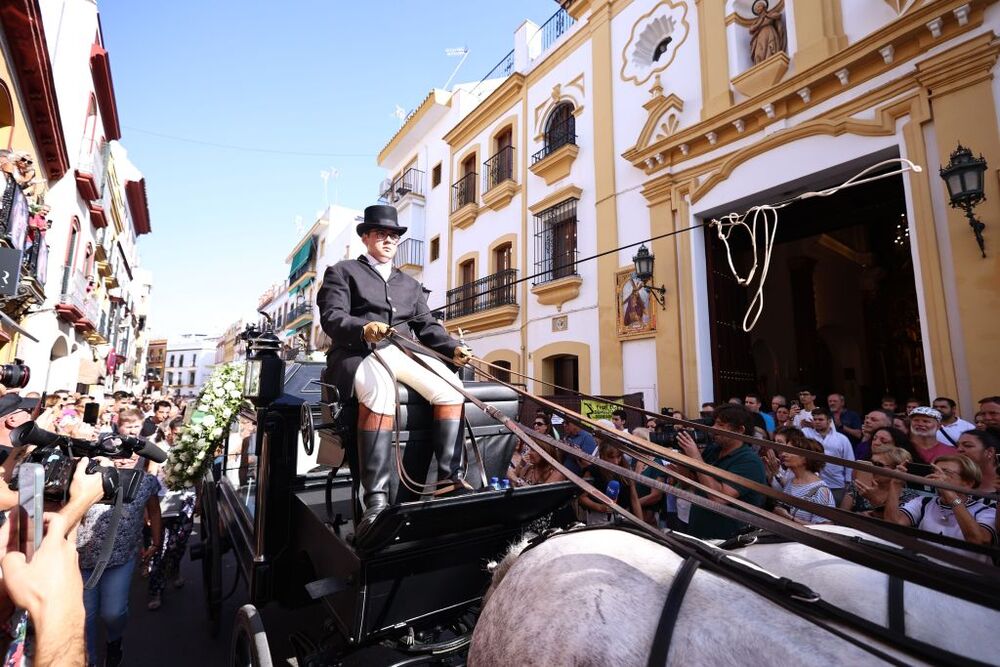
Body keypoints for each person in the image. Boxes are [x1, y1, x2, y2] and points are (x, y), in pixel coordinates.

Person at [317, 205, 473, 540]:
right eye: (381, 234)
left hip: (402, 351)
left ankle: (449, 478)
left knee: (450, 386)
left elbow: (427, 326)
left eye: (393, 235)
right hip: (358, 353)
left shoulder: (410, 284)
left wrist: (451, 348)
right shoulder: (342, 272)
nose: (389, 240)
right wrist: (364, 328)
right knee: (379, 390)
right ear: (366, 238)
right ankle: (375, 500)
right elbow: (332, 317)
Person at [76, 453, 161, 666]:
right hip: (83, 559)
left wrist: (156, 542)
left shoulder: (146, 481)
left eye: (130, 454)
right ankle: (91, 661)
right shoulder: (88, 476)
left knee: (113, 613)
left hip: (122, 558)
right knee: (85, 616)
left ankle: (114, 641)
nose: (125, 459)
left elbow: (154, 511)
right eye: (119, 454)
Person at [672, 404, 767, 540]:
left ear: (740, 430)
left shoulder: (749, 462)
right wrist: (683, 452)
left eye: (721, 425)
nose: (713, 429)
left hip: (730, 542)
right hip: (700, 535)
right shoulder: (713, 451)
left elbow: (719, 498)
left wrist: (696, 457)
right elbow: (685, 482)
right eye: (714, 424)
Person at [884, 454, 996, 563]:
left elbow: (977, 541)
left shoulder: (986, 510)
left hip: (969, 577)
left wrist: (952, 497)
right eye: (935, 471)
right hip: (927, 571)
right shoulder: (923, 502)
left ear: (967, 483)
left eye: (946, 472)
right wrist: (895, 484)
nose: (938, 476)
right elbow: (893, 524)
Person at [147, 417, 194, 611]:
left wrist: (199, 501)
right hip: (162, 504)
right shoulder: (158, 450)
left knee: (179, 544)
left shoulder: (192, 450)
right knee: (161, 547)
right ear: (170, 433)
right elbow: (150, 478)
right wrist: (146, 509)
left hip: (185, 503)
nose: (181, 438)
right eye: (177, 434)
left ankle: (175, 568)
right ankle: (156, 590)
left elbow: (197, 475)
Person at [762, 427, 834, 524]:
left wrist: (790, 518)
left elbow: (825, 530)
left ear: (805, 458)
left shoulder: (821, 491)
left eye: (790, 451)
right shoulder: (792, 482)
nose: (783, 454)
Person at [841, 446, 920, 516]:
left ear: (898, 469)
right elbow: (841, 515)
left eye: (879, 465)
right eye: (872, 463)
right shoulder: (860, 485)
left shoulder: (910, 497)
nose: (872, 468)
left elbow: (893, 524)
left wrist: (874, 500)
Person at [578, 440, 642, 524]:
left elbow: (634, 498)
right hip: (600, 519)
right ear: (602, 456)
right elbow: (582, 497)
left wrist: (641, 523)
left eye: (618, 457)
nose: (616, 461)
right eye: (611, 457)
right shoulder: (593, 471)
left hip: (624, 517)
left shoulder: (625, 470)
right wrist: (600, 507)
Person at [802, 407, 855, 505]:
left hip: (836, 485)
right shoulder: (805, 433)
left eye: (821, 419)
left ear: (829, 421)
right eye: (815, 419)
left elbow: (850, 462)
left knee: (836, 514)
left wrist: (848, 483)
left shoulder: (842, 439)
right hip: (811, 483)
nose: (817, 422)